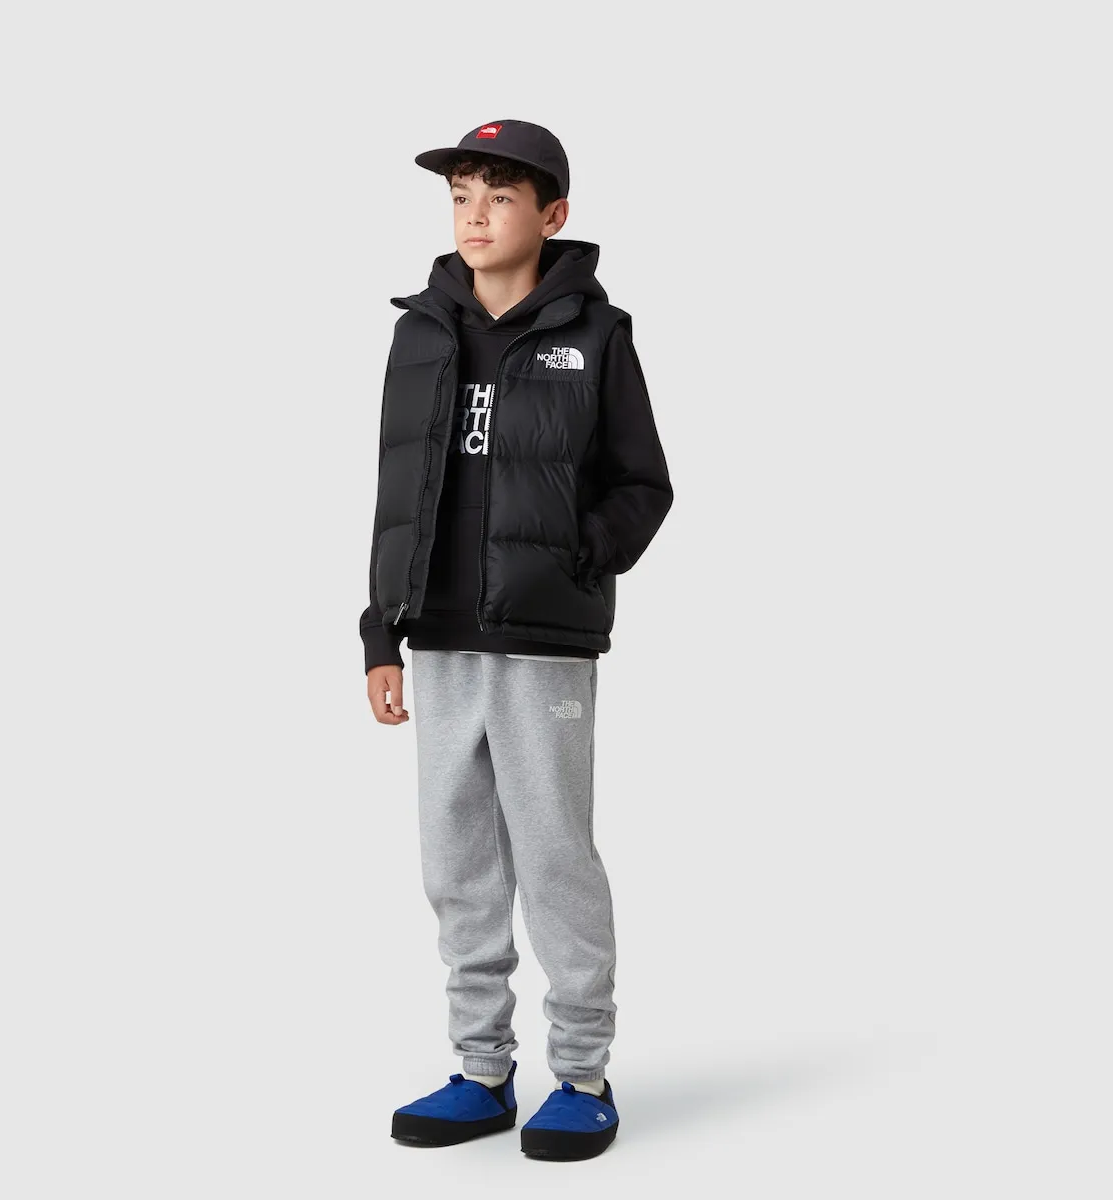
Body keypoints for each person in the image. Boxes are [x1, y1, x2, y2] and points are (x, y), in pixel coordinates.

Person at [359, 119, 673, 1161]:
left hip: (544, 641)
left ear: (552, 215)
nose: (476, 215)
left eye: (499, 197)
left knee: (552, 853)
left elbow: (642, 484)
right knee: (456, 859)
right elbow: (396, 492)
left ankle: (581, 1072)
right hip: (439, 633)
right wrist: (380, 631)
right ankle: (481, 1070)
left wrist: (576, 565)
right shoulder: (421, 332)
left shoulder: (598, 334)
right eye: (461, 197)